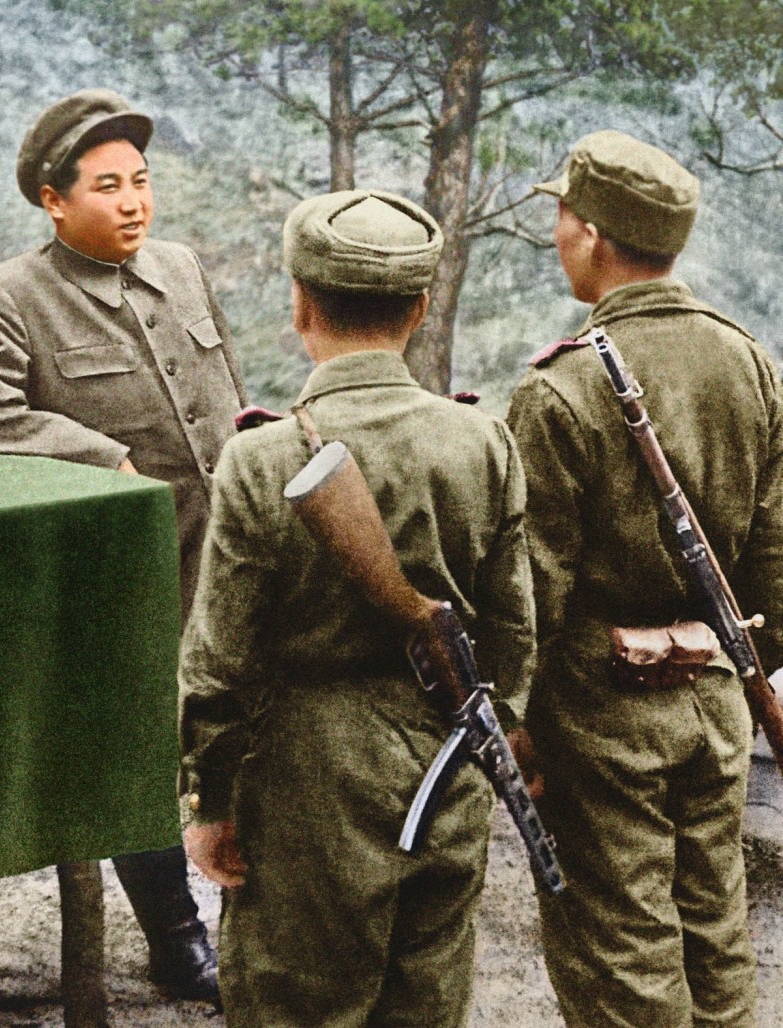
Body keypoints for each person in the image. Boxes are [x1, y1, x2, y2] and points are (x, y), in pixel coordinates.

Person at [178, 188, 538, 1026]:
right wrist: (496, 737)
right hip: (448, 759)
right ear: (421, 309)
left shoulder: (262, 457)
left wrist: (211, 799)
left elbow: (219, 662)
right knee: (425, 1004)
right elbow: (515, 632)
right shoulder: (482, 442)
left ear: (300, 305)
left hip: (309, 781)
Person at [0, 89, 249, 1005]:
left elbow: (226, 393)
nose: (132, 203)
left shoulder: (181, 267)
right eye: (107, 186)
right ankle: (178, 943)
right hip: (122, 574)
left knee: (242, 737)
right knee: (138, 758)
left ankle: (258, 926)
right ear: (53, 199)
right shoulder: (8, 297)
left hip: (226, 554)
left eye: (141, 182)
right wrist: (99, 453)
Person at [507, 129, 783, 1027]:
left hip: (598, 714)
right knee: (716, 935)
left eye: (562, 214)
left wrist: (518, 720)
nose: (556, 232)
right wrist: (716, 654)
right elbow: (776, 564)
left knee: (620, 950)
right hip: (716, 701)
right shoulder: (749, 362)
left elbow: (531, 593)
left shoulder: (559, 388)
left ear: (591, 234)